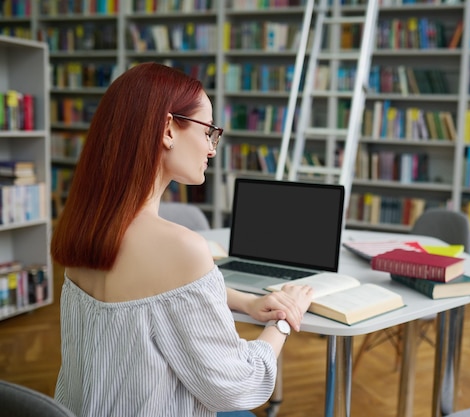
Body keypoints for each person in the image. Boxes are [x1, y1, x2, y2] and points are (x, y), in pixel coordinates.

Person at [50, 62, 314, 417]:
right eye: (208, 131)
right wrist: (283, 320)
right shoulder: (180, 248)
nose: (212, 149)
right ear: (168, 129)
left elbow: (148, 299)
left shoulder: (85, 227)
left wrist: (245, 302)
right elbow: (241, 387)